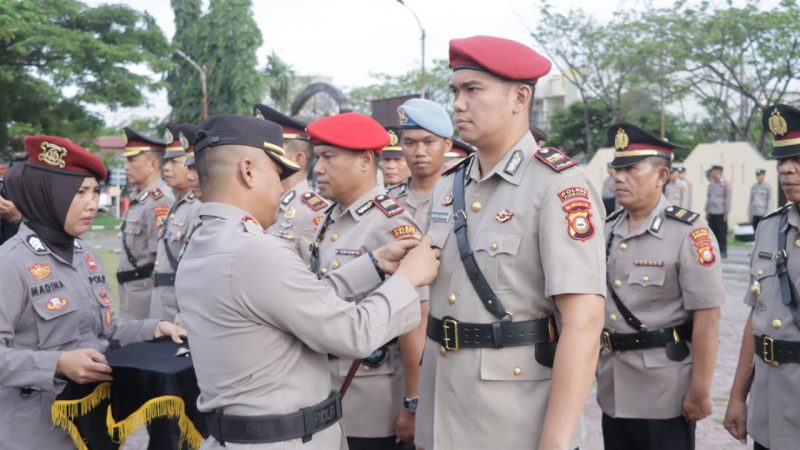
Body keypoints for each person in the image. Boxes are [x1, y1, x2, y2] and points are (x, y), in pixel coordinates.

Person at [175, 114, 439, 450]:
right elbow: (351, 332)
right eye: (278, 174)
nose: (284, 186)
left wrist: (372, 265)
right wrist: (407, 277)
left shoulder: (205, 242)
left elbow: (297, 301)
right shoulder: (256, 250)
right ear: (248, 171)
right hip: (281, 438)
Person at [417, 35, 606, 450]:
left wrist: (554, 443)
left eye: (473, 90)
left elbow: (584, 322)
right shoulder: (449, 185)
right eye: (456, 91)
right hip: (441, 411)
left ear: (520, 97)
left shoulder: (558, 186)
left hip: (512, 421)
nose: (458, 105)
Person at [0, 135, 184, 450]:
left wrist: (155, 327)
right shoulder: (10, 263)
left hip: (96, 427)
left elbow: (106, 331)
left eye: (95, 191)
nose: (92, 203)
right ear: (48, 196)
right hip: (37, 434)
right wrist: (57, 363)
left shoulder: (87, 255)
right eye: (79, 192)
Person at [598, 123, 723, 450]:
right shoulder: (608, 230)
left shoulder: (688, 232)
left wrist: (700, 390)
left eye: (631, 169)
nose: (619, 177)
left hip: (665, 391)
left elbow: (707, 320)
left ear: (662, 175)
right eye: (616, 169)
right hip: (613, 387)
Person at [306, 112, 426, 450]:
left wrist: (412, 402)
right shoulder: (333, 217)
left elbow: (416, 318)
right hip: (328, 387)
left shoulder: (391, 223)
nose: (318, 169)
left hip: (372, 396)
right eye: (317, 158)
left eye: (329, 157)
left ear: (364, 161)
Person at [723, 104, 800, 450]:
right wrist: (739, 395)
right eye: (782, 160)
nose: (786, 169)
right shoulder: (770, 228)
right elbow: (757, 319)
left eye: (798, 159)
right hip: (769, 411)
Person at [256, 103, 328, 261]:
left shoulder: (314, 213)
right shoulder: (261, 202)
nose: (264, 159)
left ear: (298, 159)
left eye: (274, 153)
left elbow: (317, 274)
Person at [118, 127, 175, 319]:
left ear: (152, 164)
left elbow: (160, 258)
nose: (126, 166)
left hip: (145, 296)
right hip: (132, 292)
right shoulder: (141, 198)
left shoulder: (159, 201)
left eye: (131, 160)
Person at [149, 123, 202, 322]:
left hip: (177, 308)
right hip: (162, 301)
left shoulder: (196, 207)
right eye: (166, 162)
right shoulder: (178, 204)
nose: (167, 168)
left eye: (175, 162)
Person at [389, 97, 454, 232]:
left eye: (428, 142)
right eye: (409, 143)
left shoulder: (463, 196)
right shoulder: (388, 199)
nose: (419, 152)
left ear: (447, 145)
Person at [705, 164, 731, 258]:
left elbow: (728, 199)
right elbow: (709, 198)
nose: (712, 173)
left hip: (721, 213)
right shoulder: (711, 184)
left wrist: (726, 213)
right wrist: (707, 211)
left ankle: (723, 251)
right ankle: (715, 251)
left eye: (714, 172)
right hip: (711, 212)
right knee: (712, 233)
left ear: (719, 173)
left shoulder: (726, 184)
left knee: (721, 233)